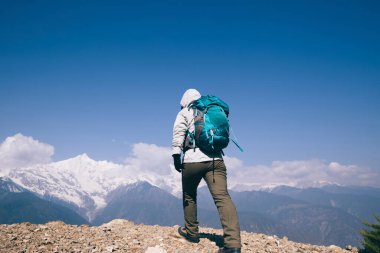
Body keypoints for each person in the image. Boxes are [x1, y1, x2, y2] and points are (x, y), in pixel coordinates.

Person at [172, 89, 242, 253]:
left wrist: (176, 155)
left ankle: (192, 233)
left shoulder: (185, 112)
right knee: (222, 197)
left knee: (189, 195)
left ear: (184, 101)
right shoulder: (212, 109)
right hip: (215, 160)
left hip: (192, 161)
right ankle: (233, 244)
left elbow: (178, 133)